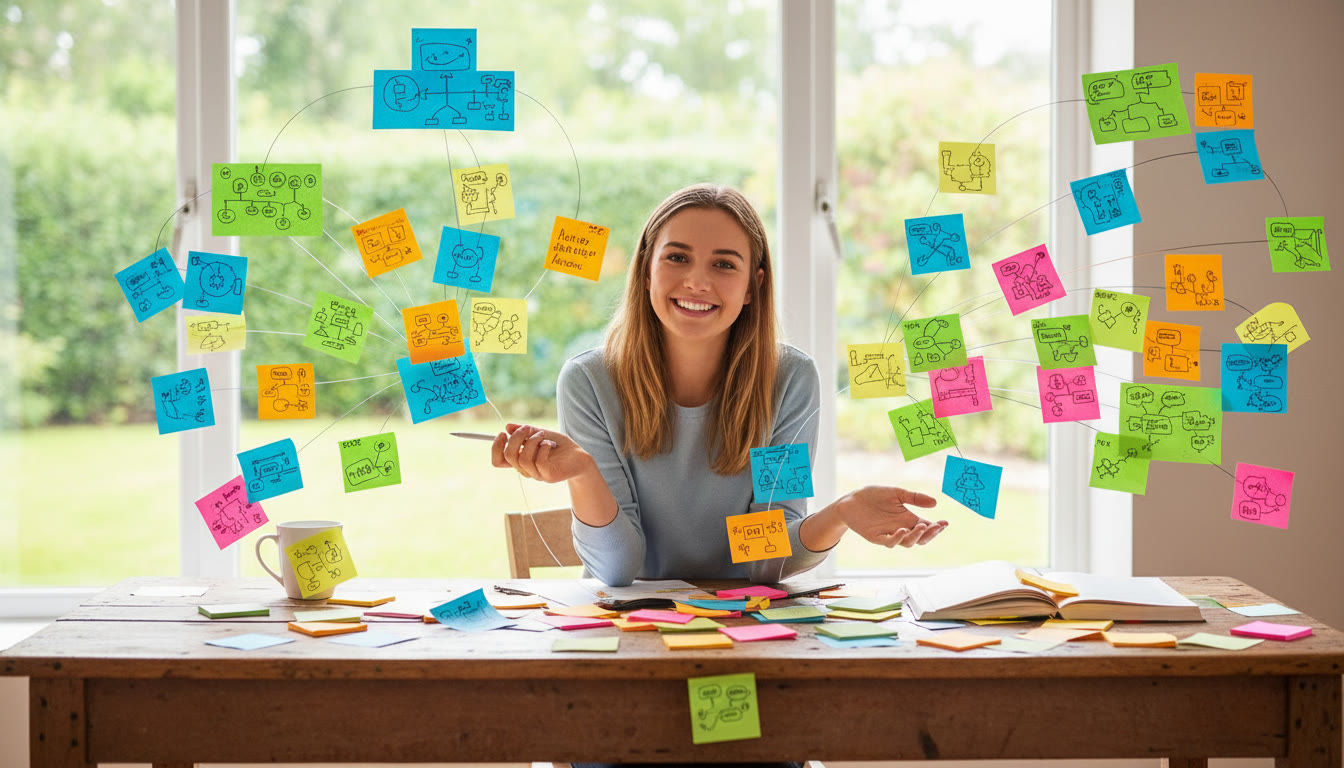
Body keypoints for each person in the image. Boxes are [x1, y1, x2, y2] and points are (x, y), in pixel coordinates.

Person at [493, 183, 947, 586]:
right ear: (646, 270)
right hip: (632, 635)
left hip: (748, 630)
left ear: (753, 285)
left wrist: (842, 512)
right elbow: (617, 569)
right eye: (677, 257)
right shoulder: (589, 382)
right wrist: (583, 473)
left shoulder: (789, 380)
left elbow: (765, 558)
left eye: (724, 265)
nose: (696, 281)